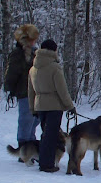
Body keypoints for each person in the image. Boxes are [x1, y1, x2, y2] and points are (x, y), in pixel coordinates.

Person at [28, 39, 76, 173]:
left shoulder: (33, 68)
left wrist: (32, 108)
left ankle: (44, 161)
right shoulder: (55, 67)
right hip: (54, 106)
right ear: (53, 50)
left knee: (45, 134)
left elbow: (30, 90)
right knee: (51, 135)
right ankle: (47, 164)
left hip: (40, 105)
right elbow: (62, 89)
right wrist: (70, 106)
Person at [4, 24, 41, 159]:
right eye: (32, 39)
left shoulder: (34, 53)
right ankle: (23, 149)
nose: (34, 42)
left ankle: (30, 147)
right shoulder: (18, 54)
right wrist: (10, 88)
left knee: (34, 120)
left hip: (35, 91)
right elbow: (12, 73)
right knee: (26, 119)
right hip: (24, 91)